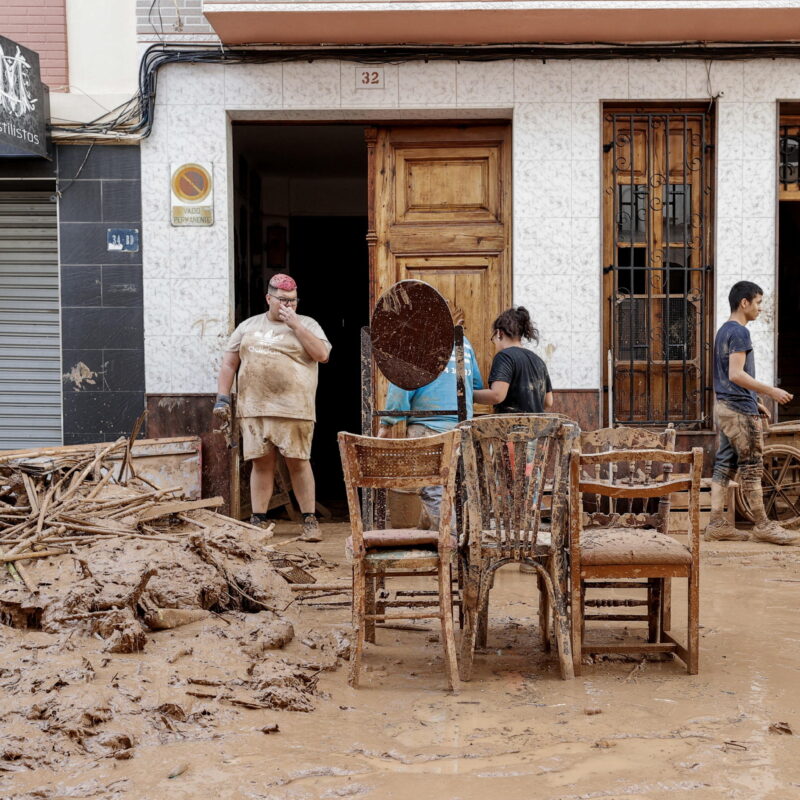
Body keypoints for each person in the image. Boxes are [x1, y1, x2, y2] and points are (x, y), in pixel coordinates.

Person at [213, 273, 331, 542]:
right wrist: (222, 397)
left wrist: (296, 325)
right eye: (282, 300)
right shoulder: (248, 326)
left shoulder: (308, 324)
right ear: (269, 298)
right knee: (261, 464)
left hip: (294, 408)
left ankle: (309, 520)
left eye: (293, 301)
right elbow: (229, 364)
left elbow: (322, 356)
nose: (288, 305)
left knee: (299, 463)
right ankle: (258, 520)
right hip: (254, 409)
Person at [705, 281, 798, 545]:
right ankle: (763, 525)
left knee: (724, 464)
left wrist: (754, 399)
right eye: (757, 302)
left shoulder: (724, 331)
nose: (760, 308)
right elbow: (736, 373)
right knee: (752, 466)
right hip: (738, 411)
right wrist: (771, 391)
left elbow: (726, 376)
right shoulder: (740, 333)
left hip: (725, 407)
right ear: (743, 303)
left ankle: (716, 524)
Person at [377, 310, 483, 530]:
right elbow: (474, 385)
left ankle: (451, 543)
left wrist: (386, 424)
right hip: (462, 427)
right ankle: (430, 536)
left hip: (429, 427)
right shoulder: (463, 342)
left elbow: (400, 390)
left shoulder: (414, 343)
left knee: (432, 489)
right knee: (452, 487)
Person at [473, 306, 553, 413]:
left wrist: (466, 394)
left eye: (493, 340)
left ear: (499, 333)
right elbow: (548, 402)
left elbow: (497, 395)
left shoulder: (505, 356)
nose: (495, 344)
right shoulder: (538, 360)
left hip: (512, 427)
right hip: (537, 427)